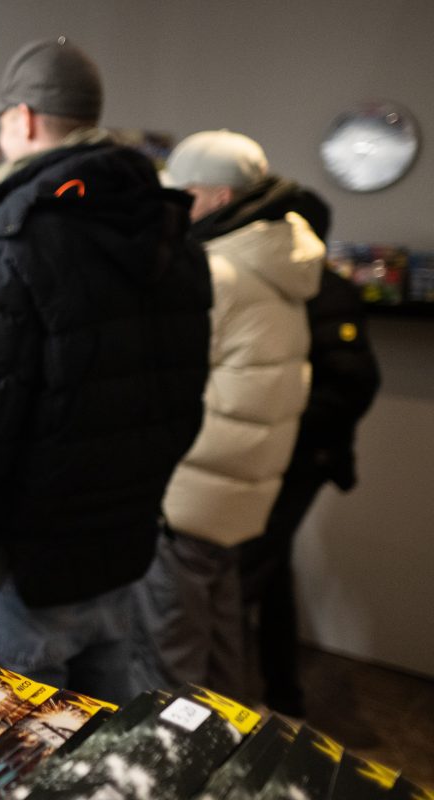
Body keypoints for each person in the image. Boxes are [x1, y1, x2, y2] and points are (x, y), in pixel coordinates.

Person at [0, 37, 212, 704]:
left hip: (26, 576)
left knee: (21, 760)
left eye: (0, 119)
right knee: (99, 753)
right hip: (123, 552)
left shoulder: (18, 237)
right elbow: (184, 403)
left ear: (22, 118)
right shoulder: (170, 231)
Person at [133, 131, 326, 697]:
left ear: (217, 198)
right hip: (238, 492)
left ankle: (165, 779)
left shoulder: (216, 271)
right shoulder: (280, 262)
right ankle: (227, 770)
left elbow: (160, 383)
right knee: (221, 646)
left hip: (187, 493)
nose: (174, 208)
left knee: (167, 664)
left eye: (184, 194)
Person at [240, 197, 380, 716]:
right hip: (286, 455)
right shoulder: (295, 288)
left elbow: (353, 384)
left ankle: (231, 699)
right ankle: (281, 693)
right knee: (271, 569)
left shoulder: (325, 290)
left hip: (303, 458)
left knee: (247, 572)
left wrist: (281, 422)